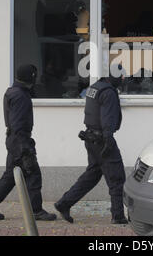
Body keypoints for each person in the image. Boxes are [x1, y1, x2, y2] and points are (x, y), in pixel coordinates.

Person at [0, 64, 56, 221]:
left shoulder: (12, 92)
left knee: (10, 176)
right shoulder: (21, 96)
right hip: (20, 141)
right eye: (34, 76)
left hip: (13, 140)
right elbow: (19, 124)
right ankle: (36, 211)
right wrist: (25, 149)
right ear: (31, 77)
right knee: (33, 174)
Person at [54, 66, 127, 224]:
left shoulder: (95, 87)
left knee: (92, 175)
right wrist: (108, 141)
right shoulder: (108, 92)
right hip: (102, 140)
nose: (122, 79)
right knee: (116, 178)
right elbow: (108, 119)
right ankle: (118, 216)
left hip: (91, 138)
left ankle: (64, 203)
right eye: (121, 76)